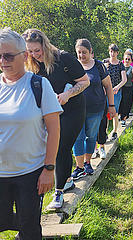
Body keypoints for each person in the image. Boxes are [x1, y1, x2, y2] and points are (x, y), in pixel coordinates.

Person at [0, 27, 62, 240]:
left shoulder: (38, 85)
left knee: (29, 228)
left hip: (30, 173)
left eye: (8, 55)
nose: (2, 61)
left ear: (24, 56)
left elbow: (54, 130)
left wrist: (49, 168)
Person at [22, 29, 90, 209]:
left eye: (38, 50)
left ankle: (58, 193)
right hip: (50, 112)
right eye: (30, 51)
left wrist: (67, 94)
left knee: (61, 148)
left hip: (72, 110)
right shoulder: (30, 64)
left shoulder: (63, 58)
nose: (35, 55)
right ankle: (66, 180)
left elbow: (84, 81)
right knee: (49, 148)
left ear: (45, 45)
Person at [71, 39, 116, 180]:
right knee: (78, 137)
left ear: (91, 52)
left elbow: (108, 86)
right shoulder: (73, 66)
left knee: (91, 136)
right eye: (79, 52)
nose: (82, 55)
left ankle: (88, 163)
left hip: (96, 109)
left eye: (84, 52)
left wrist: (111, 106)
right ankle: (79, 167)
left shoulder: (99, 66)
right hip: (76, 110)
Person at [119, 52, 133, 126]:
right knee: (120, 103)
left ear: (131, 61)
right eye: (125, 59)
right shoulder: (120, 67)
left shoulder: (132, 69)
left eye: (128, 59)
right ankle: (120, 116)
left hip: (129, 88)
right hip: (121, 88)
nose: (127, 60)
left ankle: (124, 118)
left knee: (127, 104)